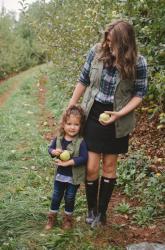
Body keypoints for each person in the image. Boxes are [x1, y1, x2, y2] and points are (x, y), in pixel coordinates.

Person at [68, 20, 147, 227]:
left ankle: (102, 213)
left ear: (124, 43)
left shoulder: (138, 62)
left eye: (112, 42)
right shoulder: (96, 52)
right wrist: (71, 106)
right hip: (93, 112)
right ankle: (91, 209)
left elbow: (139, 94)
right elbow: (83, 80)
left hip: (117, 117)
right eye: (107, 40)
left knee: (110, 165)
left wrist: (119, 113)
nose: (108, 45)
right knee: (92, 167)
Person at [45, 105, 88, 230]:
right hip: (60, 175)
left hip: (73, 177)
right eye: (69, 123)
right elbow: (50, 149)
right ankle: (52, 217)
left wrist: (69, 162)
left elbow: (84, 158)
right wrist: (53, 152)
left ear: (80, 126)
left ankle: (68, 219)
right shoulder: (58, 139)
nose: (72, 127)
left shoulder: (81, 142)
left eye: (76, 124)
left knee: (70, 197)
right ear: (63, 124)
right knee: (56, 196)